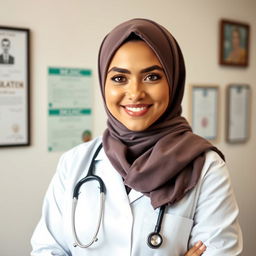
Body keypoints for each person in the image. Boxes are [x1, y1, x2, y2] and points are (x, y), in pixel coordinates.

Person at [31, 19, 242, 255]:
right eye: (120, 78)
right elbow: (47, 249)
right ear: (103, 83)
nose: (135, 93)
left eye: (152, 77)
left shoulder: (207, 167)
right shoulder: (74, 163)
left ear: (173, 81)